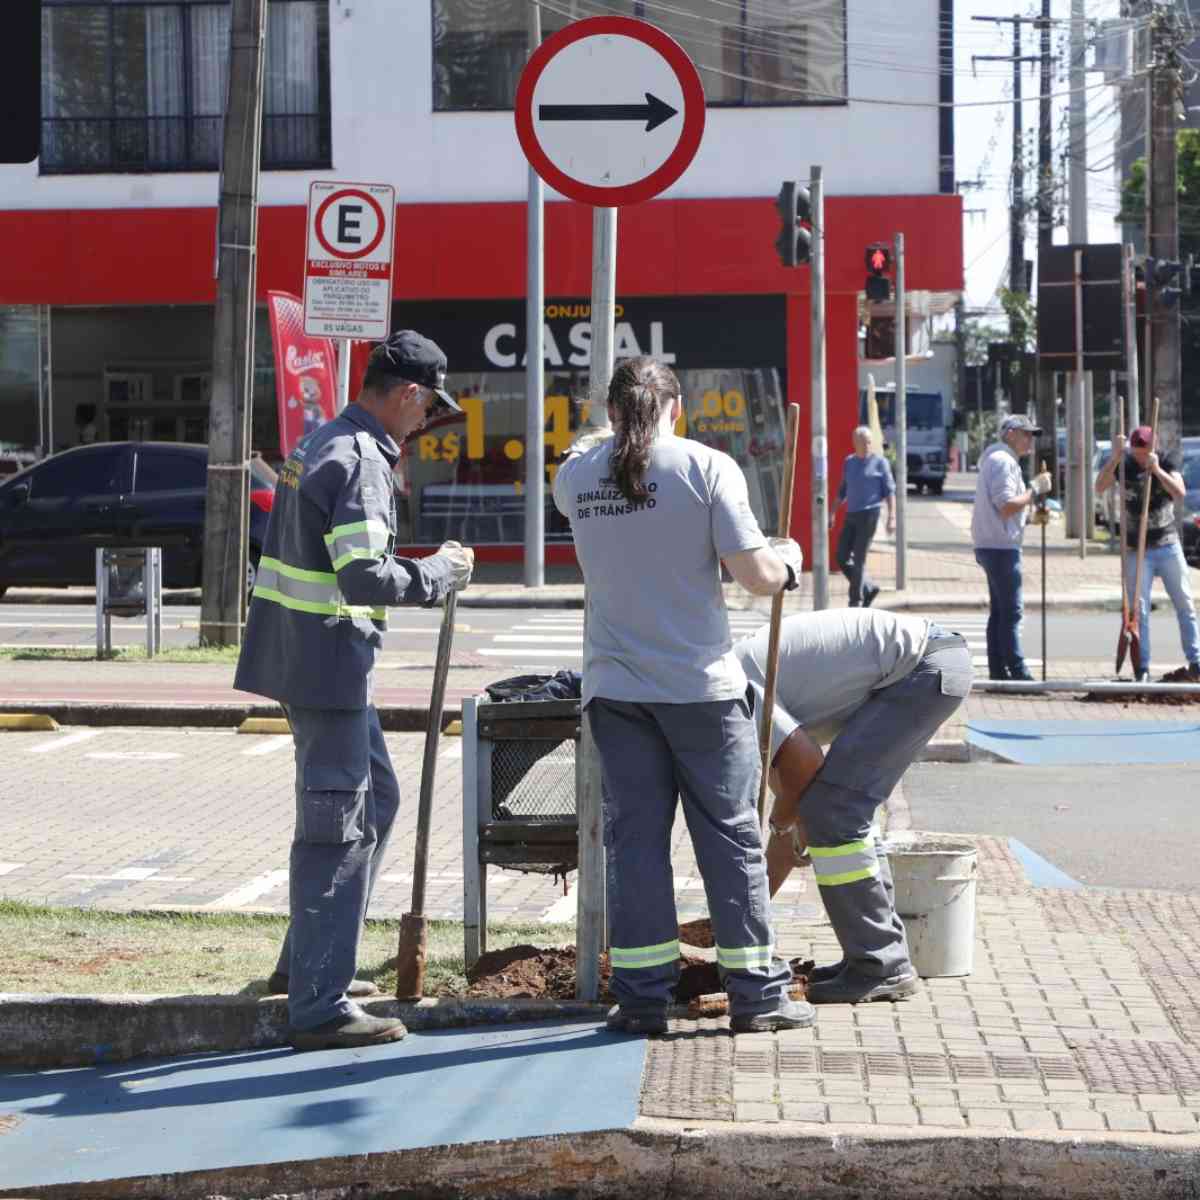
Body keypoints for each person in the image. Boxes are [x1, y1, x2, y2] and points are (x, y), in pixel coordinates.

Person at [553, 356, 813, 1036]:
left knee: (635, 846)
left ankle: (641, 1001)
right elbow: (755, 575)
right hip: (700, 691)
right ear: (674, 408)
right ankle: (756, 995)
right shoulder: (706, 468)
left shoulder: (576, 475)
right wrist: (789, 562)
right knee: (728, 840)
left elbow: (590, 455)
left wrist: (604, 435)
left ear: (610, 410)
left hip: (615, 692)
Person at [234, 330, 475, 1052]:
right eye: (428, 408)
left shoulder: (322, 441)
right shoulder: (362, 462)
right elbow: (365, 575)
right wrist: (439, 572)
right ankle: (318, 1001)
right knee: (335, 831)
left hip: (310, 661)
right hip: (328, 667)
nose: (426, 422)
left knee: (379, 797)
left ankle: (311, 964)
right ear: (408, 394)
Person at [733, 609, 972, 1004]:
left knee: (835, 813)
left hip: (922, 668)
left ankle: (880, 963)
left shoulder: (736, 690)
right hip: (929, 664)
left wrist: (783, 823)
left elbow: (804, 772)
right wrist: (753, 911)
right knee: (836, 812)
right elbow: (792, 814)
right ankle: (874, 955)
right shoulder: (740, 683)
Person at [1096, 425, 1200, 682]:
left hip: (1167, 544)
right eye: (1137, 453)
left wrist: (1156, 470)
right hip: (1135, 548)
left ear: (1153, 448)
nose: (1140, 457)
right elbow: (1099, 487)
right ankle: (1142, 667)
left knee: (1185, 603)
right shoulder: (1125, 463)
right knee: (1138, 610)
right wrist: (1115, 458)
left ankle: (1196, 661)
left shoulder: (1165, 460)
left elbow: (1180, 493)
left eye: (1145, 452)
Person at [971, 414, 1051, 681]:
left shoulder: (999, 460)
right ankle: (1017, 671)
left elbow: (1007, 508)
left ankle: (998, 670)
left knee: (1000, 612)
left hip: (992, 543)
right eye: (1026, 434)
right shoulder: (1003, 462)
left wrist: (1030, 514)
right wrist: (1035, 490)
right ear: (1011, 433)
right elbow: (1005, 505)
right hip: (1000, 546)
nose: (1030, 440)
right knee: (1011, 611)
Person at [830, 425, 895, 607]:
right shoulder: (849, 462)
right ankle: (867, 587)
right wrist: (832, 512)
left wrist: (892, 517)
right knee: (841, 556)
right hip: (851, 514)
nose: (867, 445)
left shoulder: (880, 463)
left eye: (869, 442)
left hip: (870, 514)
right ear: (855, 443)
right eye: (863, 442)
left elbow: (890, 492)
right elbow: (842, 491)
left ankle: (855, 600)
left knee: (859, 558)